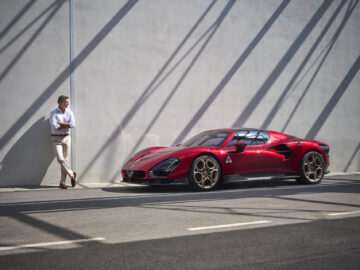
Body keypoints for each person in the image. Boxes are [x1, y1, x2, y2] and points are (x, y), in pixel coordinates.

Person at [50, 95, 77, 189]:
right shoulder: (53, 113)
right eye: (66, 102)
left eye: (68, 102)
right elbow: (55, 127)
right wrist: (67, 125)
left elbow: (73, 125)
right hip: (56, 139)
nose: (68, 103)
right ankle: (72, 175)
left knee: (66, 159)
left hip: (67, 138)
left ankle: (62, 182)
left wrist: (61, 123)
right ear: (60, 102)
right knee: (60, 159)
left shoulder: (69, 112)